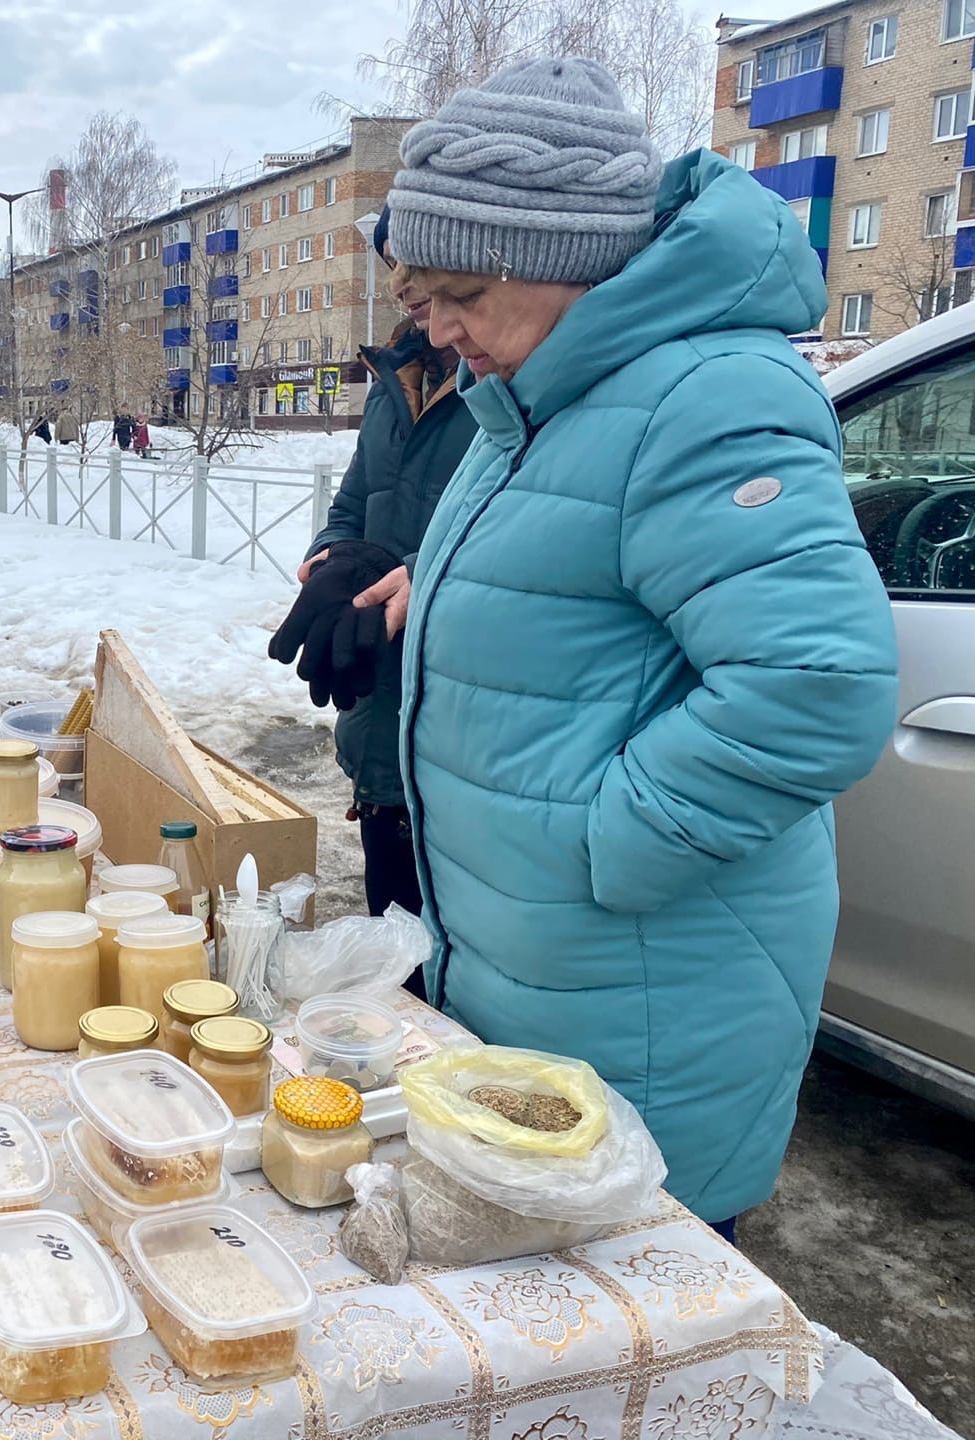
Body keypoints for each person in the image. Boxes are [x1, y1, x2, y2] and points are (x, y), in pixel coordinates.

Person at [364, 59, 897, 1233]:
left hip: (648, 987)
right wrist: (440, 588)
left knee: (638, 1359)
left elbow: (816, 686)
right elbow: (593, 573)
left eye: (457, 291)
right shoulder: (546, 390)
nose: (441, 332)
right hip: (550, 981)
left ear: (564, 263)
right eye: (417, 300)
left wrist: (611, 850)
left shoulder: (704, 394)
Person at [291, 205, 478, 957]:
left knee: (458, 982)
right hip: (381, 713)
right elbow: (351, 504)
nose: (398, 281)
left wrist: (421, 578)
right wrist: (337, 559)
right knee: (392, 975)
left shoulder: (509, 379)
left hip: (462, 733)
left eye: (412, 260)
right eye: (386, 261)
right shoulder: (395, 377)